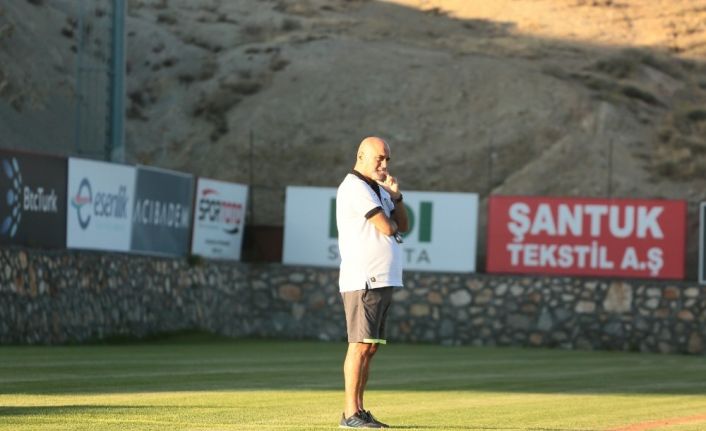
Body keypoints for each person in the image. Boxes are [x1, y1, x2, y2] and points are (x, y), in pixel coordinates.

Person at [336, 136, 409, 428]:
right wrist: (392, 221)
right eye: (379, 157)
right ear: (361, 156)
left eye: (387, 159)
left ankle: (360, 410)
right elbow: (387, 227)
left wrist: (396, 198)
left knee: (370, 347)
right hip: (364, 278)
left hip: (380, 278)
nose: (384, 164)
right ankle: (350, 414)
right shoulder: (354, 187)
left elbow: (403, 225)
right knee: (359, 346)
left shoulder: (376, 189)